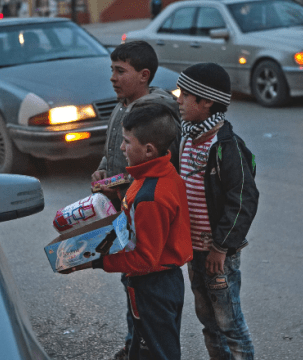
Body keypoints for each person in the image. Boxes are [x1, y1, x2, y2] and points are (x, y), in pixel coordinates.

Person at [65, 104, 193, 360]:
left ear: (148, 150)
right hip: (161, 283)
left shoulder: (150, 197)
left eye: (126, 141)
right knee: (144, 348)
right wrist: (121, 194)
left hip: (151, 288)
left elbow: (145, 259)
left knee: (156, 353)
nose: (122, 148)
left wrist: (94, 260)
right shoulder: (161, 174)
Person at [91, 40, 180, 360]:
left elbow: (160, 167)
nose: (113, 78)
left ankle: (145, 346)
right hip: (124, 206)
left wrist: (99, 261)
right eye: (111, 70)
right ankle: (135, 343)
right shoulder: (123, 104)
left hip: (139, 210)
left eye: (120, 71)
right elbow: (113, 152)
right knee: (133, 288)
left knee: (144, 280)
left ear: (144, 75)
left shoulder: (153, 115)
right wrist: (103, 172)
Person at [176, 62, 259, 359]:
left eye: (185, 95)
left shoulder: (226, 146)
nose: (179, 100)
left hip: (218, 257)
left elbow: (244, 200)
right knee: (208, 322)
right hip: (194, 252)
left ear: (206, 101)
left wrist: (221, 248)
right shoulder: (186, 138)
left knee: (229, 324)